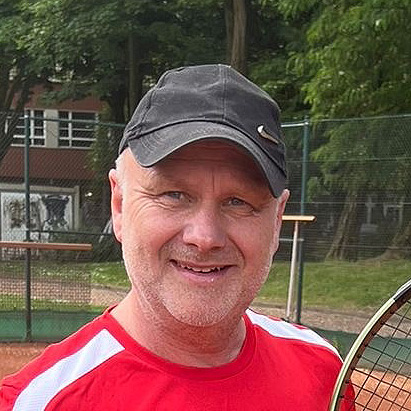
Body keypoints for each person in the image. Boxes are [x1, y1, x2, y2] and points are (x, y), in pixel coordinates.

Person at [0, 64, 346, 410]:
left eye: (238, 201)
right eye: (173, 195)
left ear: (276, 222)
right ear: (119, 205)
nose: (205, 237)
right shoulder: (36, 403)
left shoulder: (324, 372)